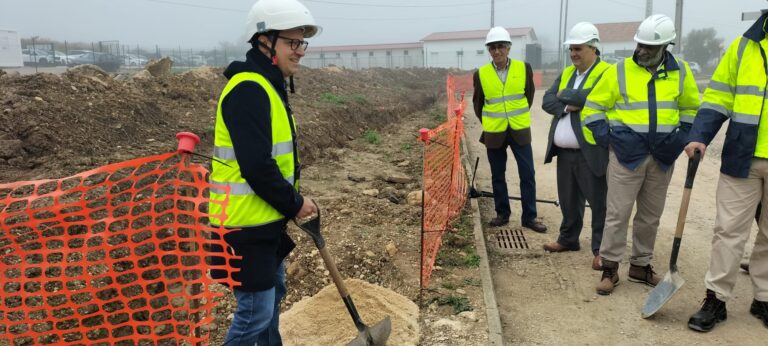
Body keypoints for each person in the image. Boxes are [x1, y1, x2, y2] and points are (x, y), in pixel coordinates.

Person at [207, 0, 320, 344]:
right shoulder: (248, 90)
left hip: (265, 221)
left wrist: (293, 202)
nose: (300, 51)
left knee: (271, 301)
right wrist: (295, 203)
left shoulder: (268, 86)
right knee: (255, 312)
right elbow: (257, 167)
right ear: (264, 40)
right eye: (292, 42)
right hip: (244, 226)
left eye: (302, 43)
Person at [580, 14, 700, 295]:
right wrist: (609, 140)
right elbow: (592, 110)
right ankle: (610, 269)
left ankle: (640, 266)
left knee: (650, 216)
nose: (642, 51)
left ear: (666, 46)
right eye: (640, 44)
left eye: (650, 47)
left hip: (662, 157)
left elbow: (692, 108)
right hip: (625, 156)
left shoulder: (680, 71)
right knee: (617, 214)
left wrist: (680, 137)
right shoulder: (618, 71)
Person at [685, 9, 768, 332]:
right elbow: (718, 97)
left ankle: (763, 296)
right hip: (741, 157)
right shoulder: (743, 46)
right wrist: (699, 136)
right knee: (728, 231)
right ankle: (716, 298)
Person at [542, 22, 611, 271]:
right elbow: (547, 99)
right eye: (571, 49)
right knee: (569, 199)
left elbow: (591, 98)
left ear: (593, 48)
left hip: (591, 151)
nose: (573, 54)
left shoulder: (606, 72)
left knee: (599, 201)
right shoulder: (568, 73)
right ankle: (568, 239)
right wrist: (567, 103)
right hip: (565, 152)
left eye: (578, 49)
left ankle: (601, 249)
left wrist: (567, 97)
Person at [472, 26, 547, 233]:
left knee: (528, 174)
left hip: (519, 130)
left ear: (508, 48)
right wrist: (490, 122)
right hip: (494, 132)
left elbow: (528, 96)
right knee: (498, 175)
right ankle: (502, 214)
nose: (496, 51)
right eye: (492, 47)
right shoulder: (481, 74)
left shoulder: (524, 68)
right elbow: (478, 104)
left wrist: (515, 115)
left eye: (500, 47)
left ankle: (529, 217)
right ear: (489, 50)